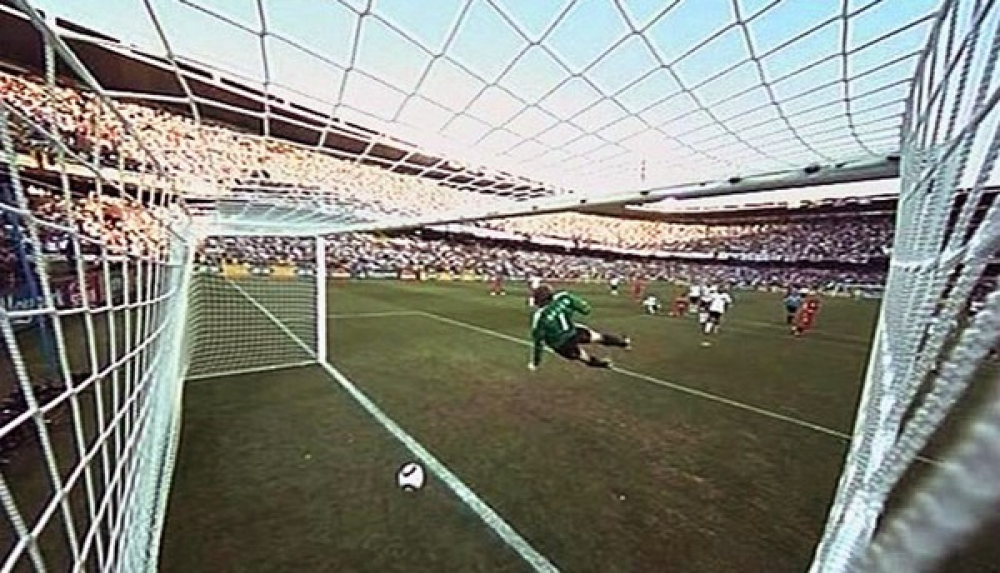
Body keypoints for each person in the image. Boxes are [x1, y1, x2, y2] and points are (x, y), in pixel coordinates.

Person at [529, 285, 630, 370]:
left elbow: (538, 341)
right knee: (598, 337)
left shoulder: (540, 316)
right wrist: (584, 308)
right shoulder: (563, 298)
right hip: (573, 332)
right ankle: (623, 343)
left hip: (561, 344)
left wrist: (536, 362)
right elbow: (585, 309)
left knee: (583, 357)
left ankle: (604, 364)